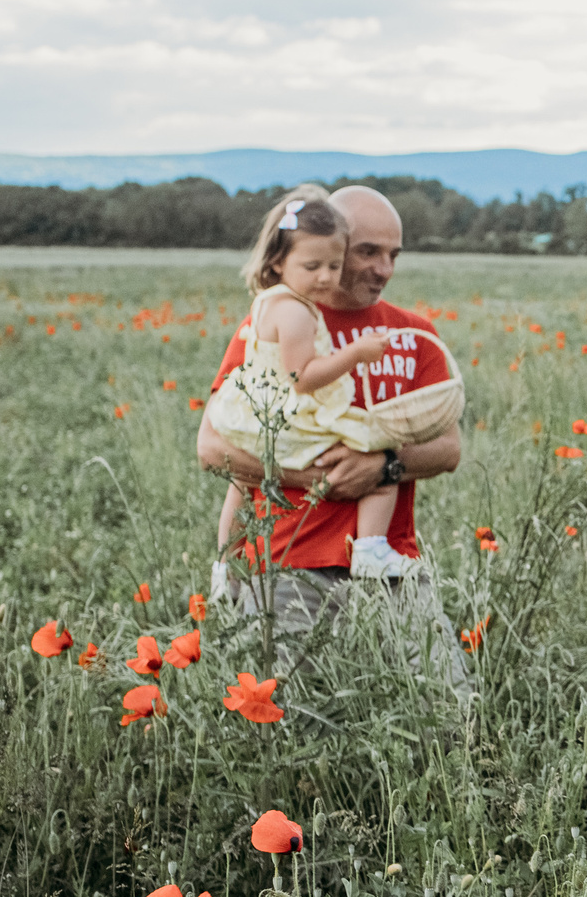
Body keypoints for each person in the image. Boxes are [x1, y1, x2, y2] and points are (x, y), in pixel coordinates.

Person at [198, 184, 470, 686]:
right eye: (368, 251)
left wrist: (383, 466)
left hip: (388, 566)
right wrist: (314, 476)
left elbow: (449, 448)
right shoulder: (278, 327)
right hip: (283, 565)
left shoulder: (412, 335)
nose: (384, 269)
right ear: (332, 245)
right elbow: (212, 447)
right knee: (287, 725)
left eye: (393, 254)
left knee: (453, 713)